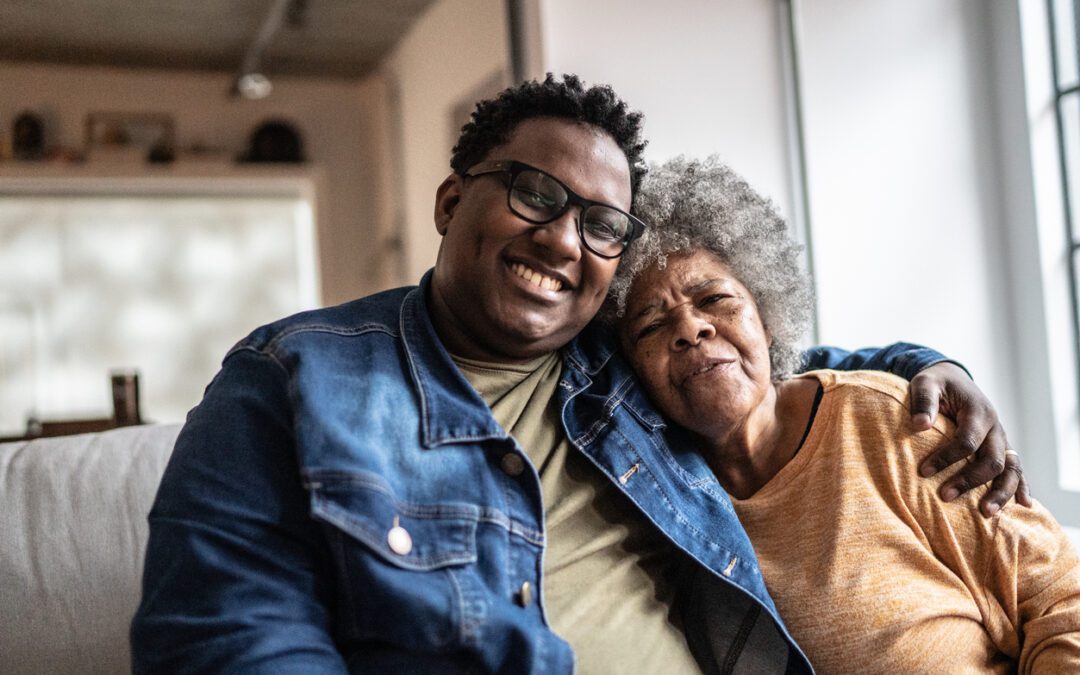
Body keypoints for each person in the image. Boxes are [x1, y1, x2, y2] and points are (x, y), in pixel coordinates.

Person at [132, 75, 1027, 673]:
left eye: (602, 223)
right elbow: (231, 641)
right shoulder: (291, 379)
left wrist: (928, 365)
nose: (564, 238)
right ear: (452, 202)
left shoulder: (619, 367)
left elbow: (761, 361)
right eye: (534, 193)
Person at [611, 155, 1080, 673]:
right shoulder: (652, 494)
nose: (690, 328)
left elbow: (1064, 604)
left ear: (767, 315)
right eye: (651, 325)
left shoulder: (891, 422)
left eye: (715, 298)